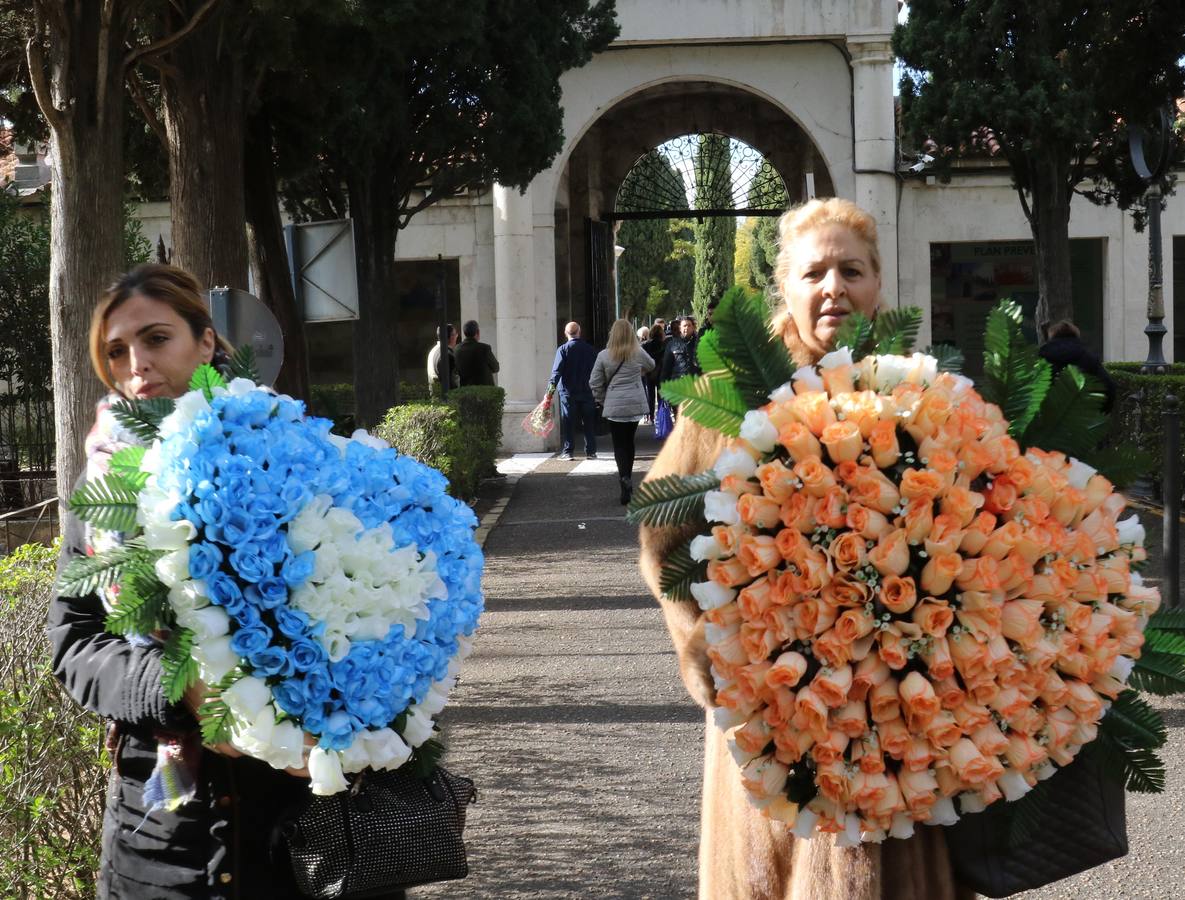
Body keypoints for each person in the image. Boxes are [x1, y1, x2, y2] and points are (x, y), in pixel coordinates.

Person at [637, 199, 968, 900]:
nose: (833, 288)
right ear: (782, 284)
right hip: (773, 713)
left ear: (877, 284)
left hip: (900, 716)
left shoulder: (918, 394)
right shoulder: (724, 396)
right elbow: (660, 537)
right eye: (814, 271)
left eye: (851, 270)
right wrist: (707, 649)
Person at [51, 264, 404, 900]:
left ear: (206, 342)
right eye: (116, 350)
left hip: (304, 827)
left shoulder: (295, 456)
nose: (138, 363)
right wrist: (180, 688)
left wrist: (343, 710)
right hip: (164, 838)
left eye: (157, 338)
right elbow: (74, 644)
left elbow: (379, 599)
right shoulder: (102, 490)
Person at [590, 318, 655, 504]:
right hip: (634, 403)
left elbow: (594, 382)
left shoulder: (604, 355)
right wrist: (639, 372)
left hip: (614, 405)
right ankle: (628, 476)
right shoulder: (638, 352)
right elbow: (651, 365)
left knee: (618, 444)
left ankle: (623, 478)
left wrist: (603, 400)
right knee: (629, 442)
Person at [1039, 319, 1117, 413]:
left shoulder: (1043, 356)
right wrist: (1100, 414)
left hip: (1049, 415)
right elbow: (1108, 387)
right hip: (1082, 415)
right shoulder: (1088, 357)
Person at [548, 321, 600, 460]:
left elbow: (556, 373)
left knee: (568, 422)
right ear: (579, 332)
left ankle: (568, 451)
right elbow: (597, 372)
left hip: (568, 392)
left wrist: (549, 393)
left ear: (566, 333)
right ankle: (591, 451)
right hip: (587, 390)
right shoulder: (590, 350)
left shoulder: (563, 350)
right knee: (588, 422)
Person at [454, 319, 500, 386]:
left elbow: (456, 370)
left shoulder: (457, 349)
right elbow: (496, 368)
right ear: (478, 332)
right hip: (484, 391)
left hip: (466, 391)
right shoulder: (484, 348)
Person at [660, 315, 700, 383]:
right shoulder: (672, 344)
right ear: (680, 328)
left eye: (689, 325)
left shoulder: (700, 343)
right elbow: (666, 368)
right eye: (684, 326)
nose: (686, 328)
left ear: (693, 328)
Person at [642, 317, 667, 421]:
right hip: (661, 372)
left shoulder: (645, 345)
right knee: (661, 396)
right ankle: (661, 417)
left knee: (650, 395)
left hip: (649, 372)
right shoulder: (664, 345)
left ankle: (650, 416)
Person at [427, 323, 460, 392]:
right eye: (455, 334)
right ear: (451, 337)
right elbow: (451, 383)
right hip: (447, 399)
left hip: (435, 396)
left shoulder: (433, 350)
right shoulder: (447, 355)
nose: (457, 336)